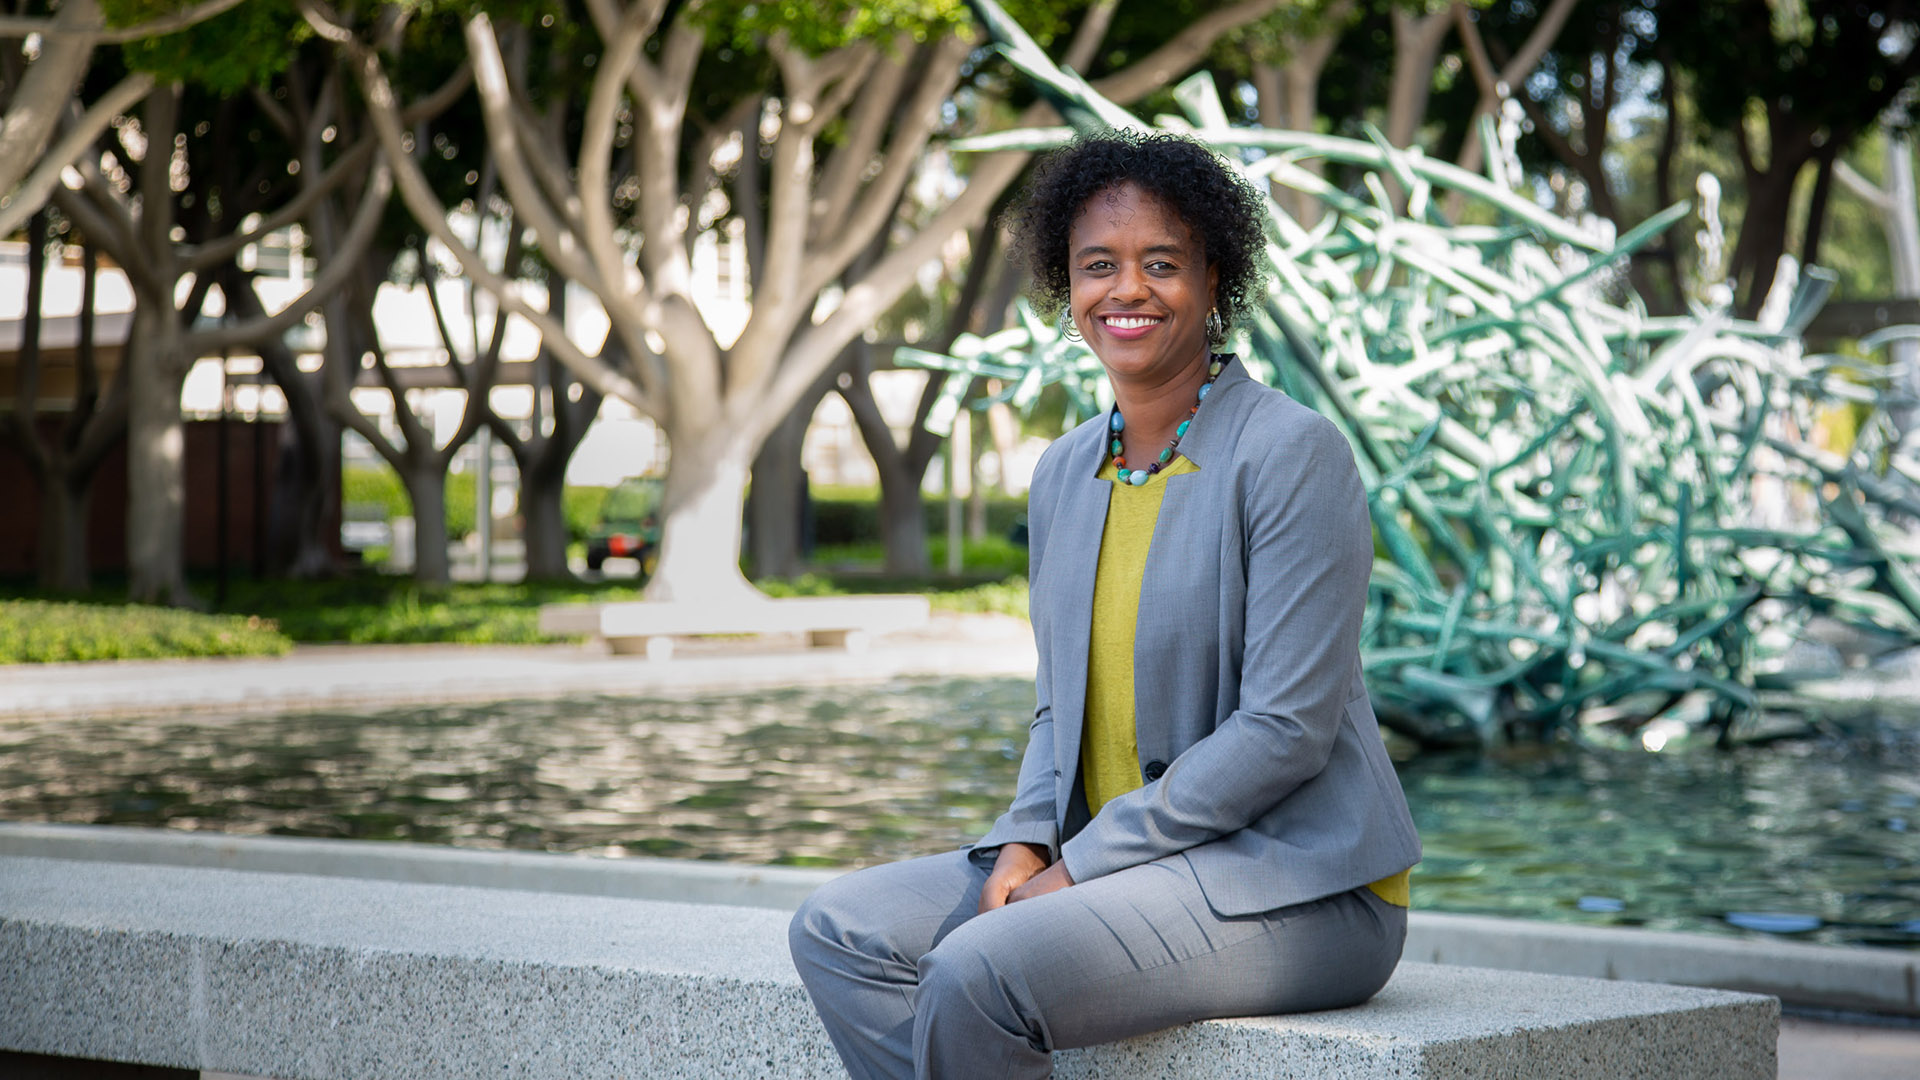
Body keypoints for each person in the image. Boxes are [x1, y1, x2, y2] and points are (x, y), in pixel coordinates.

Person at [788, 130, 1421, 1080]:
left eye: (1161, 264)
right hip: (1115, 863)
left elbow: (1287, 729)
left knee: (974, 972)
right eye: (1099, 267)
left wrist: (1077, 870)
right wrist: (1026, 838)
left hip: (1301, 884)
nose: (1128, 290)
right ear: (1066, 288)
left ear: (1214, 279)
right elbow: (1059, 705)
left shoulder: (1293, 455)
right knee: (836, 931)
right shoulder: (1062, 471)